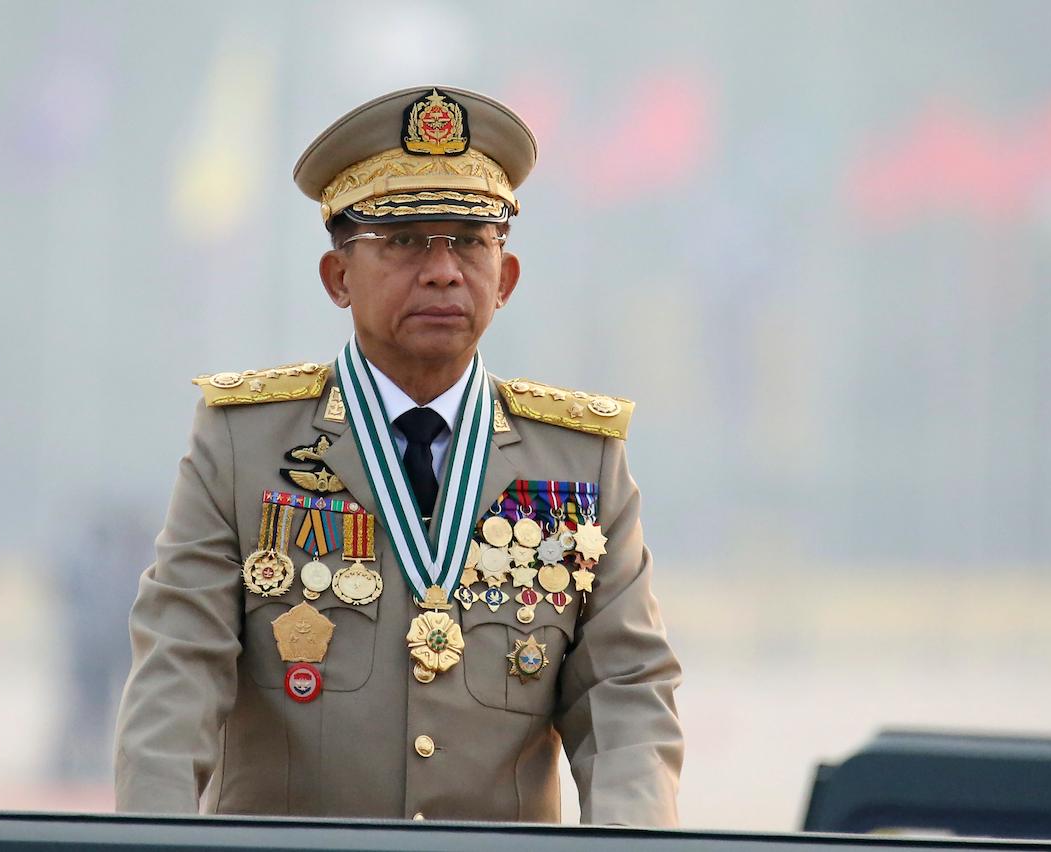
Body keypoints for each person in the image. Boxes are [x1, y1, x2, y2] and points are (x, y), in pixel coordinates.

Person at [113, 85, 683, 826]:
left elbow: (626, 694)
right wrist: (149, 847)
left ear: (504, 279)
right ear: (338, 277)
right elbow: (175, 678)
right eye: (407, 240)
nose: (443, 270)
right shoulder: (244, 445)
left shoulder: (580, 460)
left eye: (471, 241)